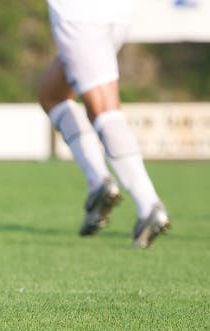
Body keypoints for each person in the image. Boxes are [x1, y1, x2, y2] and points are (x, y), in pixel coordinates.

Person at [38, 0, 170, 249]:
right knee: (52, 94)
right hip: (116, 11)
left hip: (80, 13)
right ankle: (99, 183)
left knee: (104, 110)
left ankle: (148, 205)